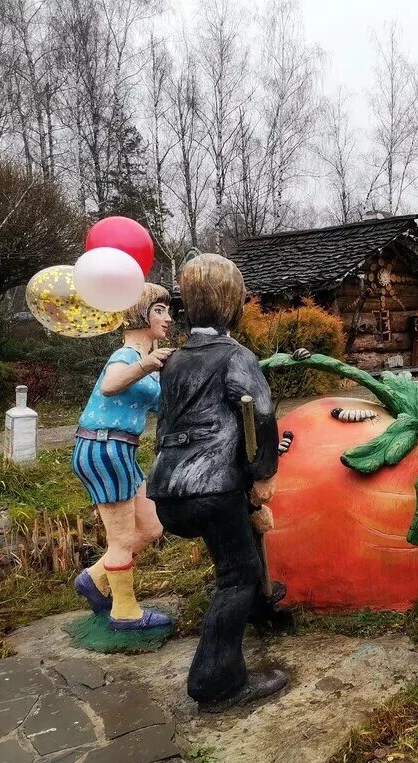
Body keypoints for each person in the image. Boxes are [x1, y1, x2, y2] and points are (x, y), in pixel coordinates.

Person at [148, 253, 285, 713]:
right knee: (237, 575)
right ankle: (217, 680)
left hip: (169, 489)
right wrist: (263, 475)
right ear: (234, 304)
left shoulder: (173, 360)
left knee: (239, 551)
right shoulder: (235, 356)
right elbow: (260, 414)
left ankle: (264, 609)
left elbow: (164, 423)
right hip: (214, 485)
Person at [72, 284, 174, 632]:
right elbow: (110, 384)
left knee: (150, 526)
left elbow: (163, 405)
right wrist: (147, 363)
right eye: (159, 309)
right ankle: (125, 613)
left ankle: (93, 579)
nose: (168, 317)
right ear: (139, 314)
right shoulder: (127, 357)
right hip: (104, 448)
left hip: (122, 450)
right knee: (123, 539)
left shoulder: (148, 363)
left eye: (167, 310)